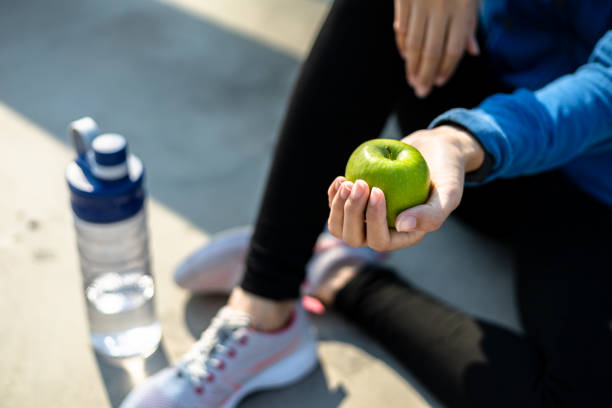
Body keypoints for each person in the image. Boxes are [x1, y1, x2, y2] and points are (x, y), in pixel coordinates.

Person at [121, 0, 612, 407]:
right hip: (475, 106)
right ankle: (265, 298)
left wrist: (466, 140)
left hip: (584, 189)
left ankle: (342, 275)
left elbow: (602, 91)